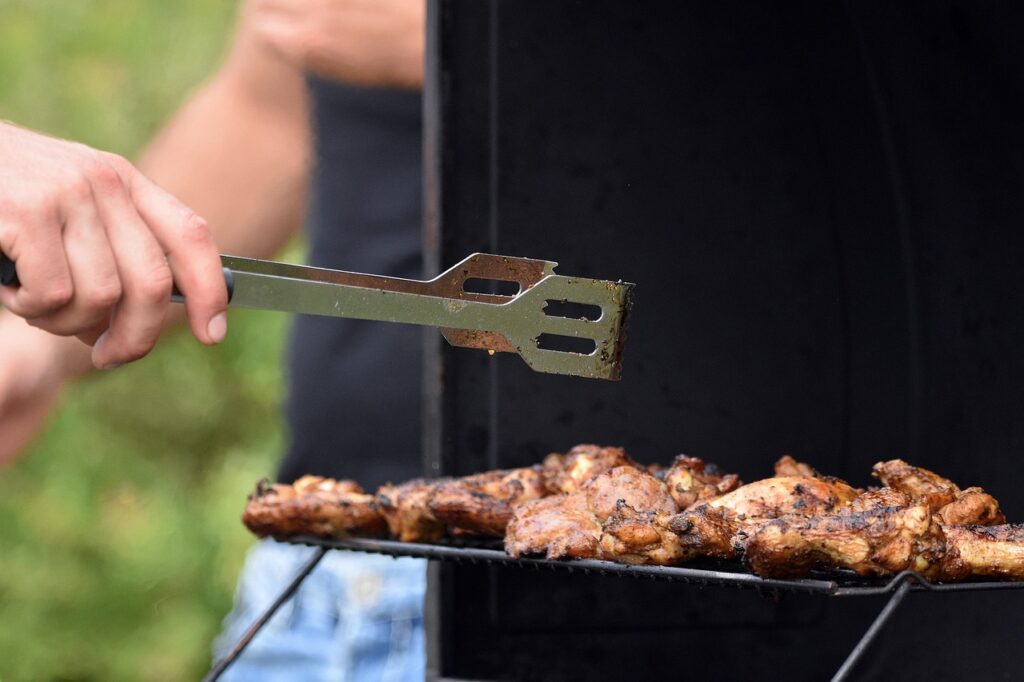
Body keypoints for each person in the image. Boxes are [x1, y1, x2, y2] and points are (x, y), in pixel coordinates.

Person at [0, 0, 428, 679]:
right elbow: (268, 117)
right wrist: (34, 350)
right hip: (313, 579)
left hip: (604, 572)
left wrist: (469, 43)